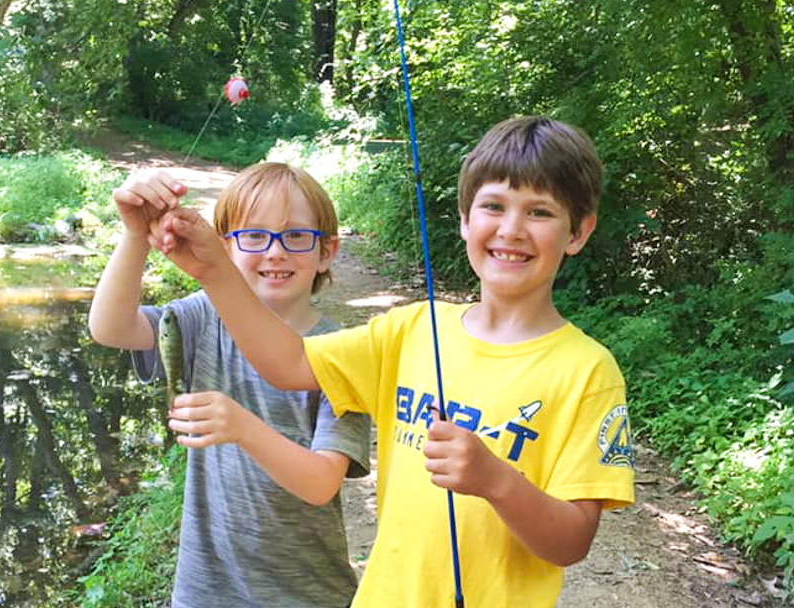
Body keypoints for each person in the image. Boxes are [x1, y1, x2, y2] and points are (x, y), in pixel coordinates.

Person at [151, 116, 636, 607]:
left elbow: (572, 543)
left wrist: (496, 481)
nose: (511, 229)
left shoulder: (587, 373)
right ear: (466, 219)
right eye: (493, 206)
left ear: (578, 231)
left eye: (539, 212)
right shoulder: (409, 330)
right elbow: (288, 363)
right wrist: (215, 271)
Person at [88, 162, 371, 608]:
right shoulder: (203, 318)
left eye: (296, 236)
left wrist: (242, 427)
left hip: (308, 595)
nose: (275, 252)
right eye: (254, 236)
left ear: (327, 251)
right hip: (206, 591)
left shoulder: (345, 354)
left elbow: (321, 484)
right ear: (223, 249)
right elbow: (110, 328)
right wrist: (135, 237)